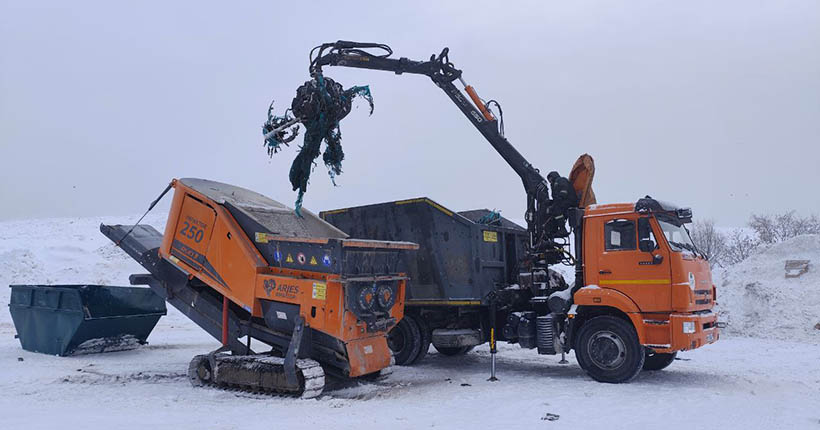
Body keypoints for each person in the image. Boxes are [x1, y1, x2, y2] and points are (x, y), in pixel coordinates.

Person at [545, 171, 579, 237]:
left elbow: (564, 190)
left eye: (550, 178)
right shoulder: (555, 184)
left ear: (553, 176)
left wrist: (560, 197)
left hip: (569, 201)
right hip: (565, 201)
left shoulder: (560, 180)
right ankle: (556, 228)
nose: (549, 180)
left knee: (556, 210)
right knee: (554, 210)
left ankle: (562, 229)